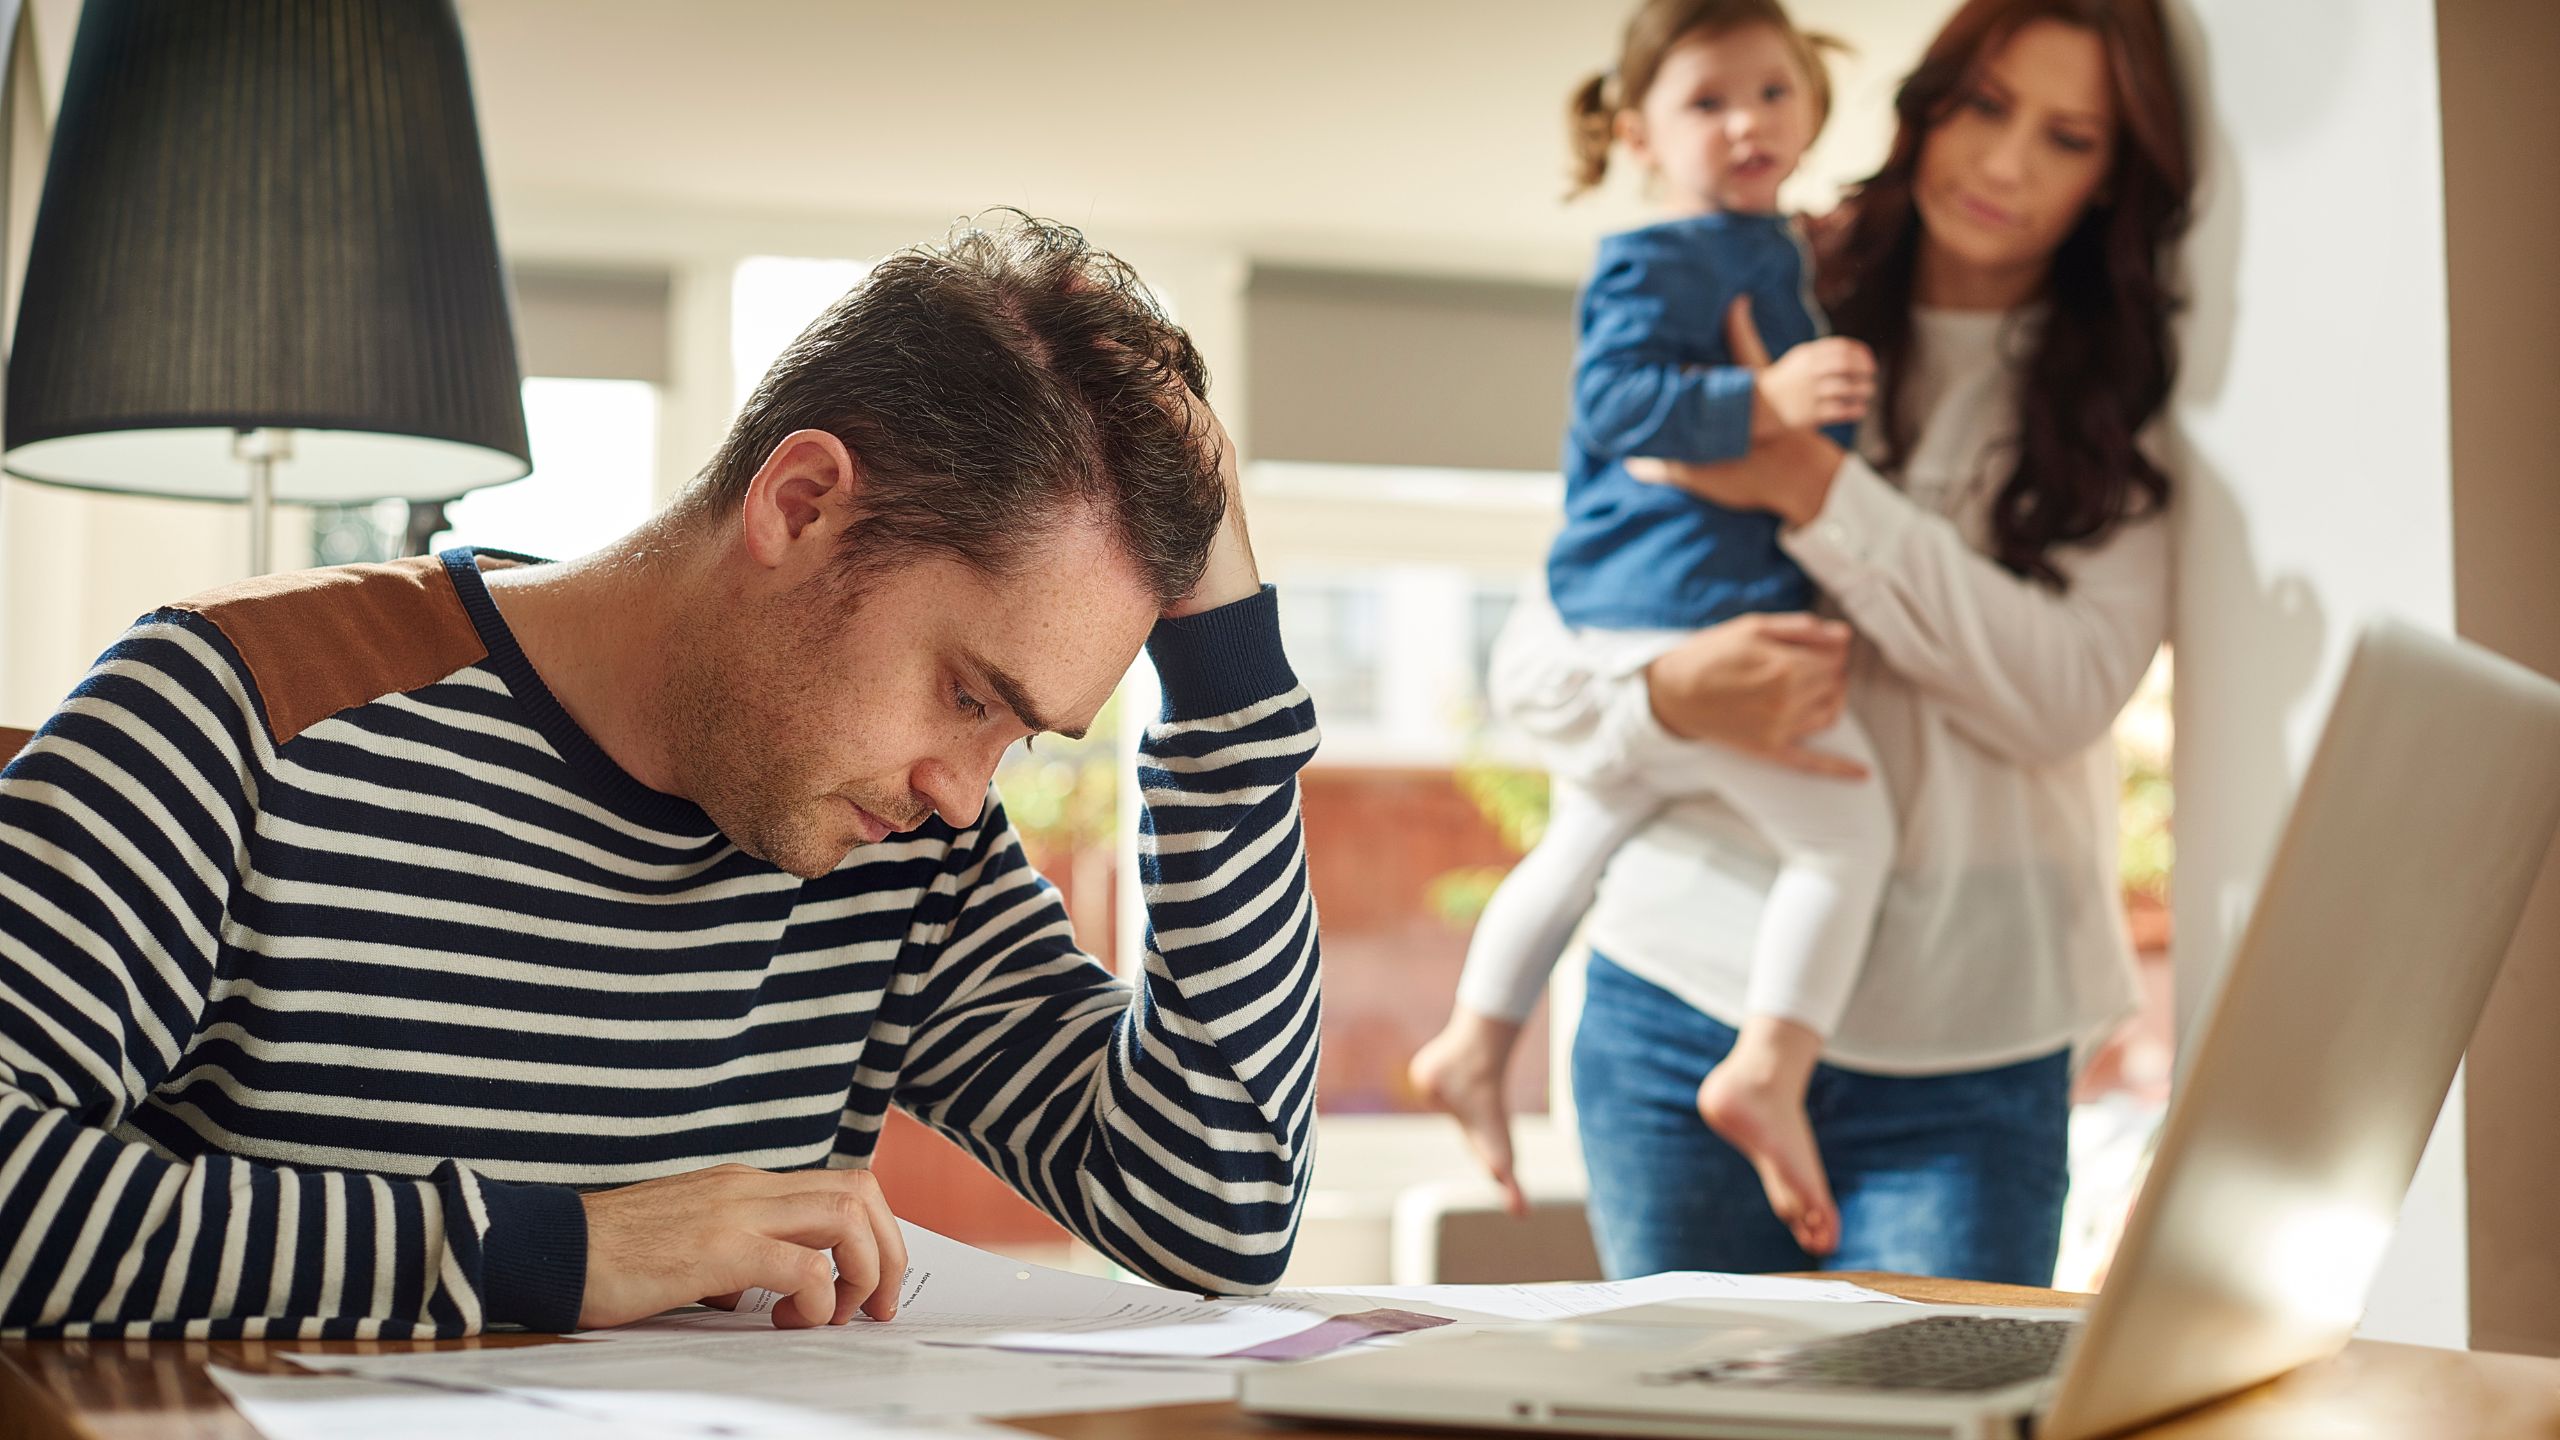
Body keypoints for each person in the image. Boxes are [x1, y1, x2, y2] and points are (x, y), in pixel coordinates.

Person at [0, 214, 1321, 1338]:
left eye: (1016, 733)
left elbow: (1216, 1216)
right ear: (801, 503)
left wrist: (1229, 687)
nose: (969, 793)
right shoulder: (242, 707)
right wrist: (559, 1255)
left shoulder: (907, 851)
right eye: (969, 693)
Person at [1483, 0, 2195, 1285]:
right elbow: (1534, 668)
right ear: (1925, 107)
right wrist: (1670, 695)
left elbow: (2058, 698)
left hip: (1969, 1049)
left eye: (2067, 136)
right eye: (1984, 106)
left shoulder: (2124, 404)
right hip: (1678, 1003)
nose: (2003, 163)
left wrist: (1810, 488)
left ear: (2111, 177)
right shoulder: (1741, 285)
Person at [1411, 0, 1892, 1259]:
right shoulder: (1659, 253)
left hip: (1644, 612)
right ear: (1638, 133)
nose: (1747, 121)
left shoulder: (1771, 249)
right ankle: (1767, 1071)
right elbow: (1618, 401)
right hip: (1667, 605)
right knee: (1847, 838)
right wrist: (1768, 397)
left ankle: (1474, 1038)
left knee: (1590, 821)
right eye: (1707, 101)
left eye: (1773, 94)